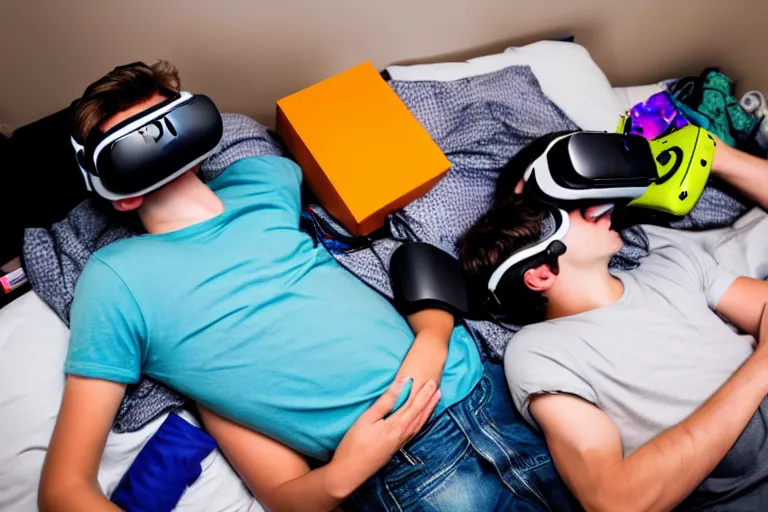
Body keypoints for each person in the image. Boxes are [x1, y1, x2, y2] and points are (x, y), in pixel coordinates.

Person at [38, 62, 577, 512]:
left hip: (492, 387)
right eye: (138, 144)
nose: (162, 142)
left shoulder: (265, 178)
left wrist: (433, 339)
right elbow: (64, 490)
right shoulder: (114, 279)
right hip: (413, 468)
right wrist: (344, 473)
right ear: (117, 193)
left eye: (169, 120)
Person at [460, 131, 768, 511]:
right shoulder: (539, 351)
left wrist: (714, 153)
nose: (597, 207)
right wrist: (762, 366)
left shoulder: (670, 261)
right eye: (572, 210)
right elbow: (615, 499)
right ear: (540, 273)